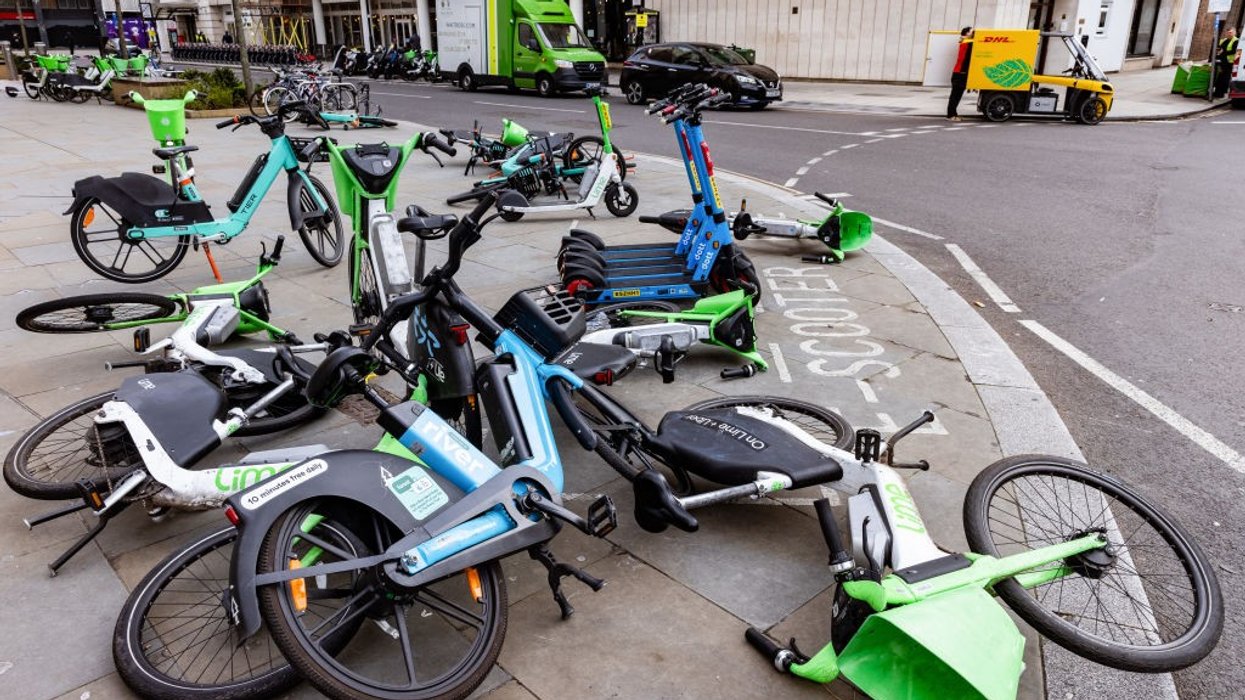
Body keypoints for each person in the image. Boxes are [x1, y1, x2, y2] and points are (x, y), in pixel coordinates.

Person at [947, 26, 974, 121]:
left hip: (960, 73)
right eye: (972, 32)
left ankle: (953, 114)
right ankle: (950, 115)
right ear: (967, 33)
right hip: (960, 73)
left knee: (957, 95)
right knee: (955, 96)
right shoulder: (966, 42)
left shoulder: (964, 41)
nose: (974, 33)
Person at [1213, 27, 1239, 99]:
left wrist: (1223, 52)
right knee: (1220, 77)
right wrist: (1218, 51)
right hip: (1221, 61)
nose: (1229, 34)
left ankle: (1222, 93)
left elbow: (1234, 51)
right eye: (1228, 32)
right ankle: (1217, 92)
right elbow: (1220, 48)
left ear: (1234, 33)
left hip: (1229, 63)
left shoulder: (1236, 41)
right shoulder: (1224, 40)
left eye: (1230, 32)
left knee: (1225, 78)